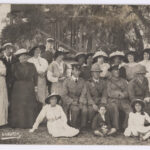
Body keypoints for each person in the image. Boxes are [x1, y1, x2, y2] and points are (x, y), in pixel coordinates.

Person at [10, 49, 38, 128]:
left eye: (25, 55)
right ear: (18, 57)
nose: (24, 57)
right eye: (22, 56)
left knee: (28, 104)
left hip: (29, 86)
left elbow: (35, 77)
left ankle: (29, 123)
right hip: (18, 87)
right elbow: (12, 77)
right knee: (19, 105)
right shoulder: (14, 65)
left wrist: (36, 87)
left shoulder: (32, 65)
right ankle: (18, 123)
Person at [62, 63, 87, 129]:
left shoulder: (82, 81)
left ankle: (83, 126)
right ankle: (73, 126)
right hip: (70, 101)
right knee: (75, 109)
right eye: (76, 70)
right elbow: (64, 95)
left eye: (79, 71)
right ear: (72, 71)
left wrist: (81, 101)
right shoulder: (66, 81)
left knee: (84, 110)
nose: (78, 72)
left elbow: (84, 92)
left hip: (80, 100)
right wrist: (72, 101)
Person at [106, 65, 130, 131]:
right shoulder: (108, 81)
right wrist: (118, 93)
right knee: (114, 109)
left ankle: (125, 126)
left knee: (129, 110)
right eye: (115, 70)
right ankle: (116, 128)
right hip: (113, 100)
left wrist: (124, 95)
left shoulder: (124, 81)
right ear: (111, 72)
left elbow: (128, 91)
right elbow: (109, 92)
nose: (117, 71)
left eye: (118, 70)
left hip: (123, 100)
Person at [0, 59, 8, 127]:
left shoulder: (1, 62)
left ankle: (1, 121)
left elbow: (4, 72)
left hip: (1, 82)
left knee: (1, 100)